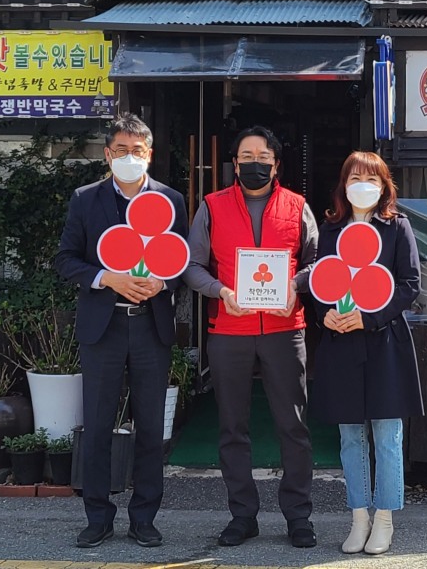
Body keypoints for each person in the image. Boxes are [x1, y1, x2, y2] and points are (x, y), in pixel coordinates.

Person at [55, 113, 187, 550]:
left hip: (151, 326)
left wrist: (162, 283)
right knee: (97, 425)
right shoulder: (85, 199)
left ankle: (144, 518)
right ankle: (97, 517)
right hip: (103, 326)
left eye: (138, 150)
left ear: (150, 154)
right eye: (121, 150)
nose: (130, 157)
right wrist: (106, 277)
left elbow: (183, 260)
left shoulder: (171, 199)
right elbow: (66, 259)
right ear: (108, 154)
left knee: (150, 427)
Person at [183, 126, 318, 549]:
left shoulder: (297, 206)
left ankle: (299, 516)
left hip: (284, 329)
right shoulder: (212, 206)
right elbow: (192, 266)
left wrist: (295, 285)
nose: (254, 163)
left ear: (276, 164)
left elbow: (318, 264)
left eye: (263, 157)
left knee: (293, 426)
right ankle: (242, 515)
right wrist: (220, 291)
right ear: (234, 163)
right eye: (246, 157)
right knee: (232, 427)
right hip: (229, 329)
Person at [310, 150, 423, 556]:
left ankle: (385, 519)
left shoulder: (398, 226)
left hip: (384, 342)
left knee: (387, 435)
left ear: (384, 186)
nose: (363, 186)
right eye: (355, 178)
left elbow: (410, 285)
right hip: (341, 342)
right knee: (350, 436)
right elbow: (319, 281)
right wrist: (325, 315)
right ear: (343, 185)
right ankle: (358, 518)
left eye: (372, 179)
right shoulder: (330, 229)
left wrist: (369, 318)